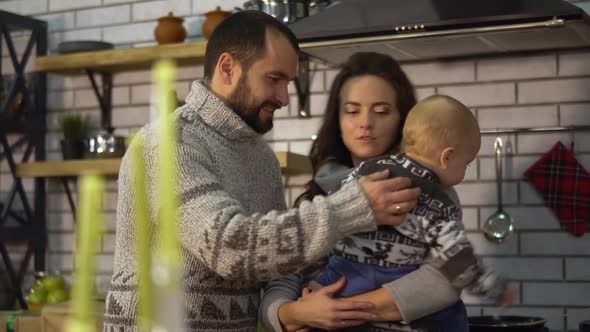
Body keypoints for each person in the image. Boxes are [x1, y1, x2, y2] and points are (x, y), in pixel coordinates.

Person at [102, 12, 421, 332]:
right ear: (227, 68)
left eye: (288, 83)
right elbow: (229, 247)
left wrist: (296, 307)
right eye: (274, 79)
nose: (284, 98)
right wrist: (353, 207)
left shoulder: (262, 159)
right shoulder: (168, 144)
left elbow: (277, 265)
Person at [259, 53, 468, 332]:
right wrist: (289, 314)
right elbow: (283, 277)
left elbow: (447, 280)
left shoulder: (427, 192)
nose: (365, 123)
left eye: (381, 111)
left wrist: (339, 309)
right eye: (352, 110)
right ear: (338, 119)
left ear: (404, 122)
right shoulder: (317, 193)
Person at [307, 94, 512, 332]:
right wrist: (494, 288)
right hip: (391, 279)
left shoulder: (365, 170)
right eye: (466, 163)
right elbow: (456, 260)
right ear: (447, 157)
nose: (464, 172)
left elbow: (333, 214)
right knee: (451, 316)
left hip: (341, 277)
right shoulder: (433, 200)